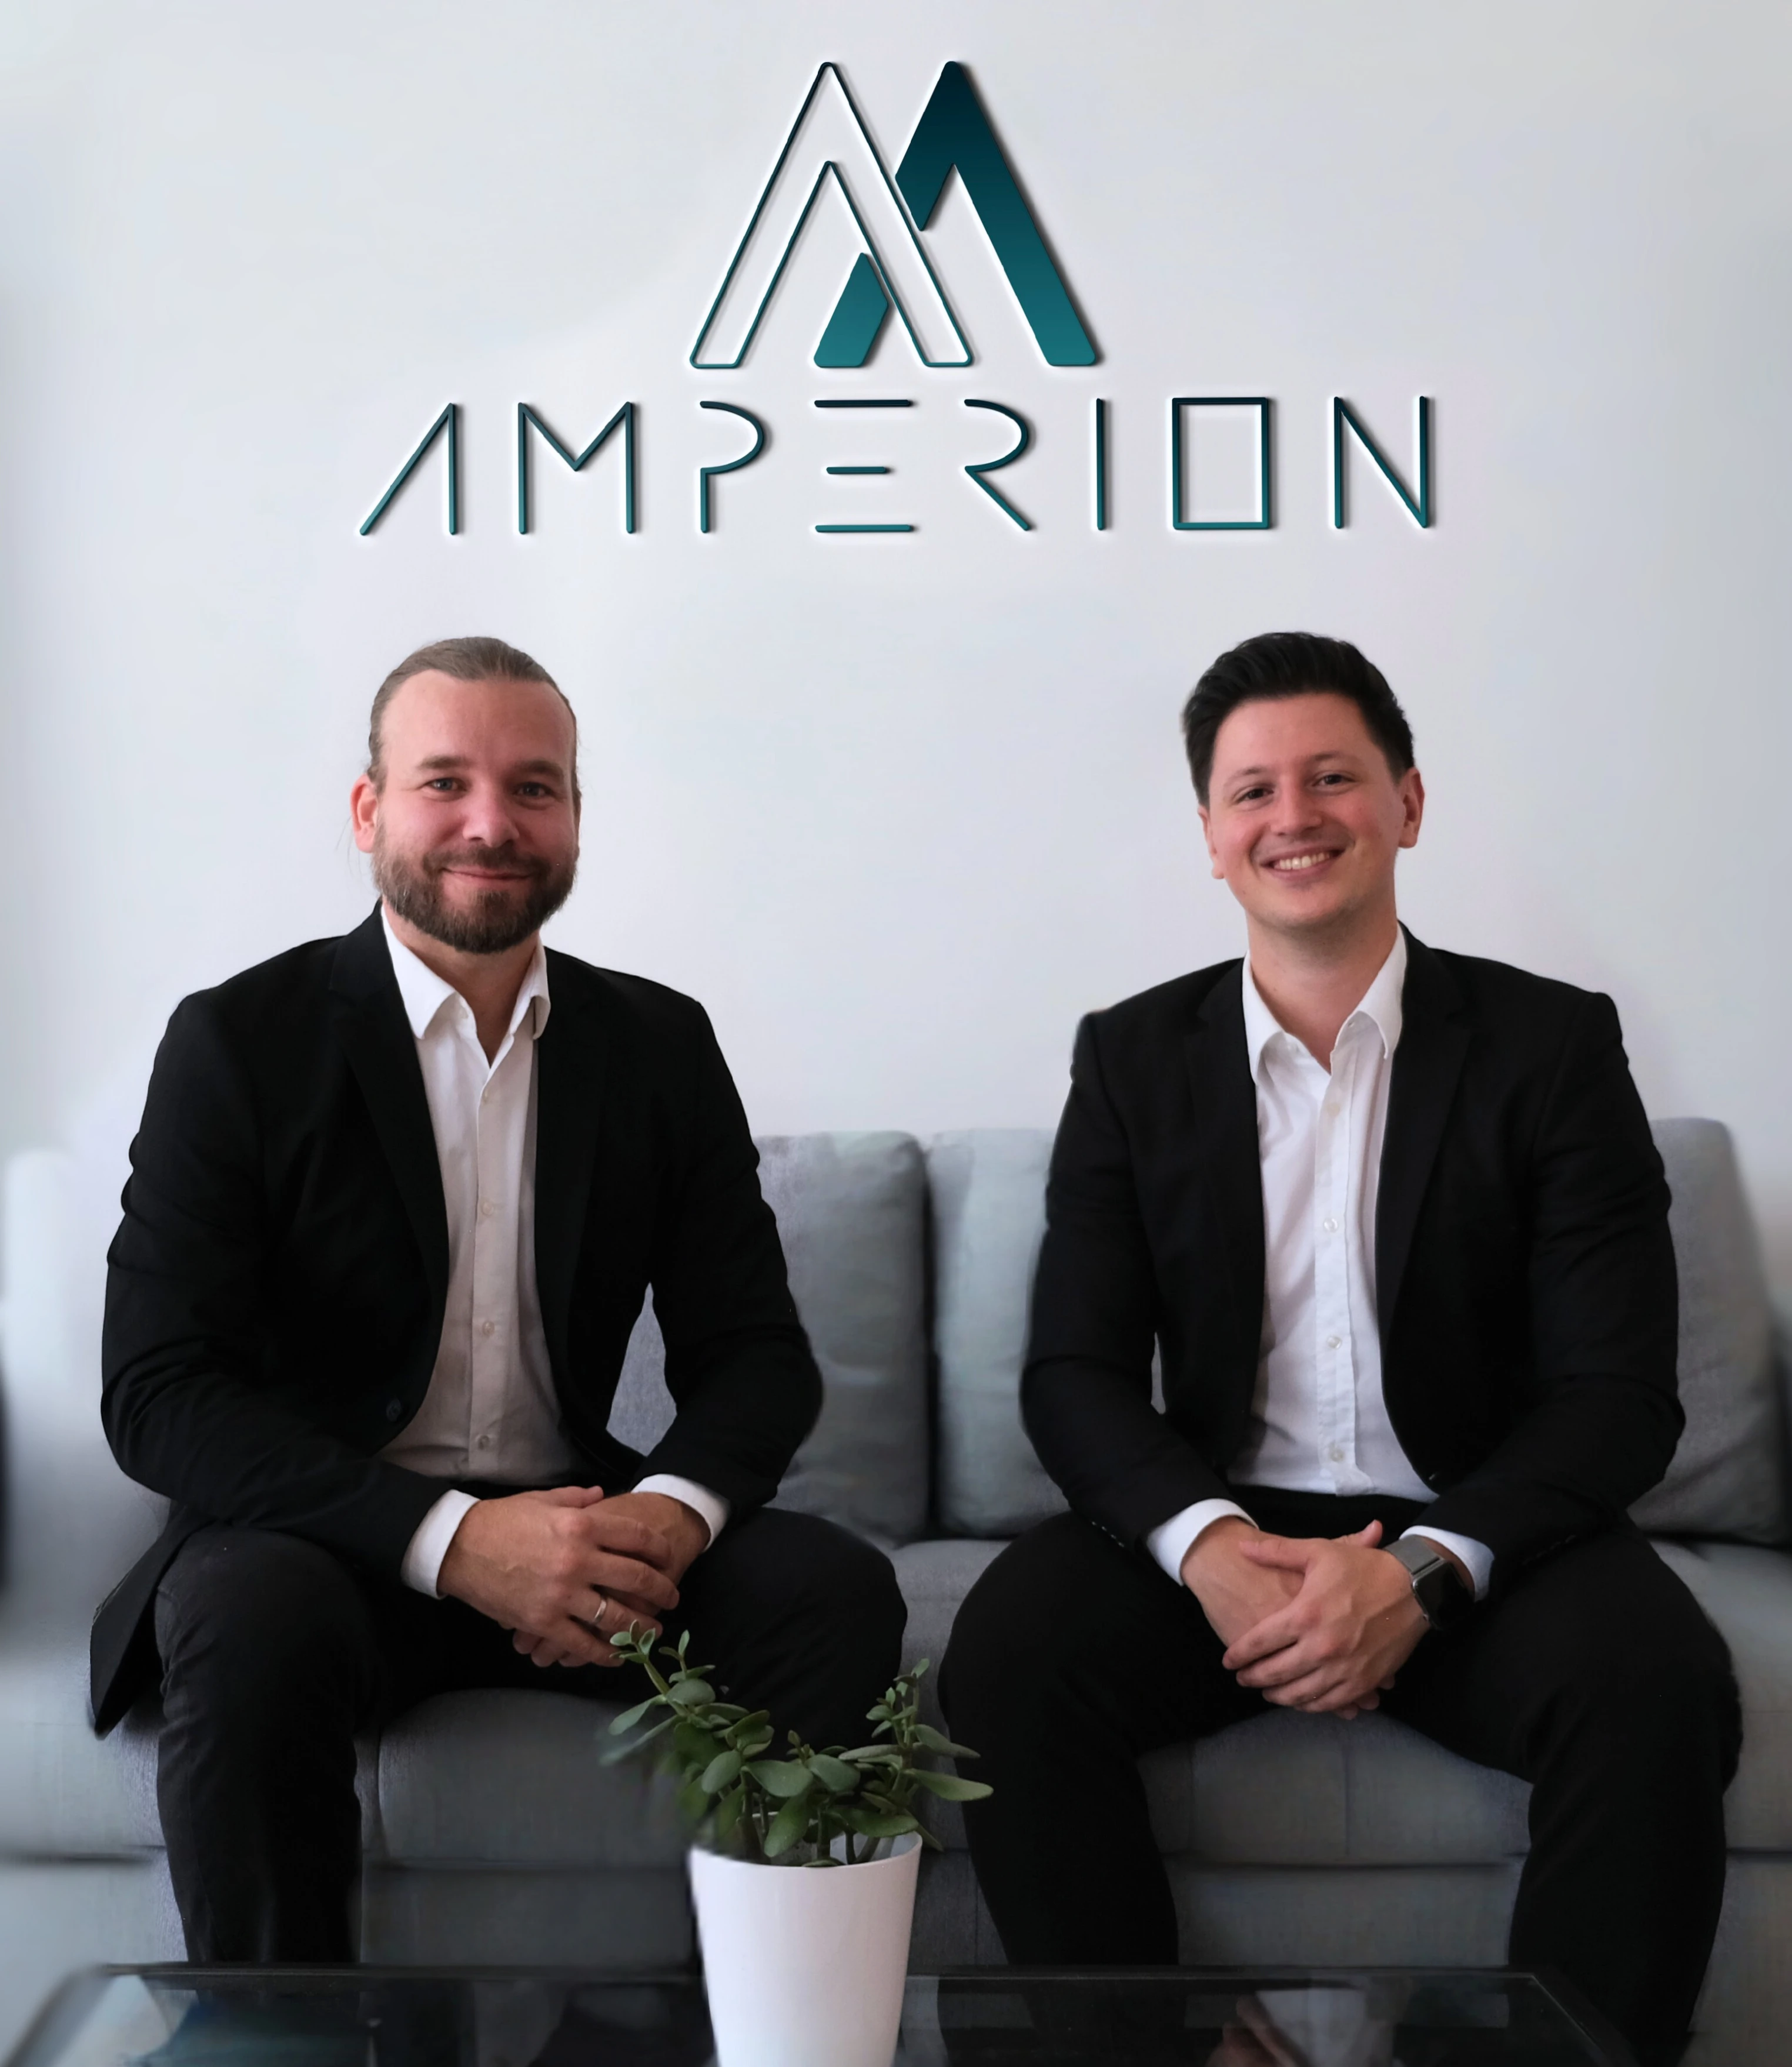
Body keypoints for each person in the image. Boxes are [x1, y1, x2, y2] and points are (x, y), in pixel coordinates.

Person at [940, 632, 1739, 2067]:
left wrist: (1419, 1571)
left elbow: (1619, 1395)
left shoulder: (1552, 1044)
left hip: (1482, 1531)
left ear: (1408, 802)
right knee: (1008, 1652)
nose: (1293, 816)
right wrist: (1206, 1547)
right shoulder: (1131, 1056)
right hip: (1230, 1529)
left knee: (1657, 1683)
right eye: (1252, 790)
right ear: (1210, 836)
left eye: (1333, 777)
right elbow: (1075, 1374)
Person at [92, 635, 905, 1963]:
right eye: (445, 782)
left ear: (576, 814)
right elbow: (159, 1391)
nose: (492, 822)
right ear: (370, 810)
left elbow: (756, 1355)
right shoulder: (238, 1041)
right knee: (242, 1616)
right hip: (332, 1548)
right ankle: (280, 2041)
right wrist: (458, 1541)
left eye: (535, 787)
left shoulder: (659, 1043)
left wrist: (663, 1519)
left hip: (588, 1539)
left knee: (833, 1591)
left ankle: (779, 2018)